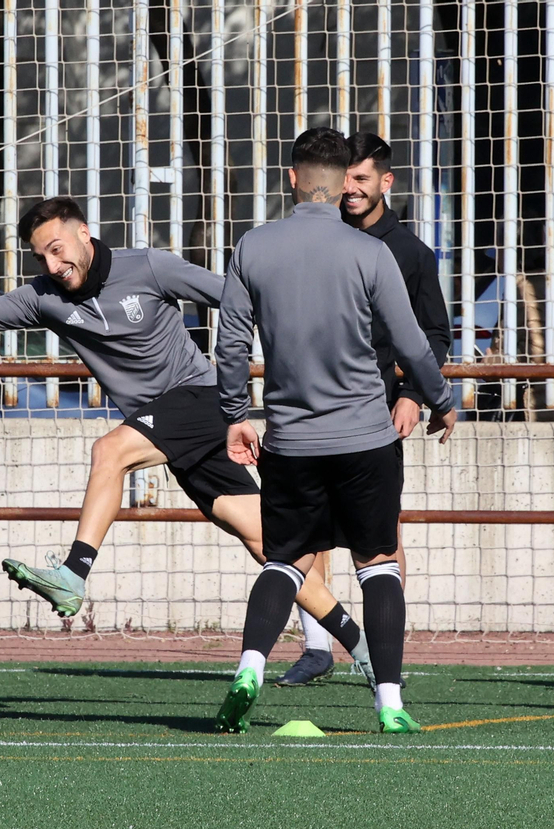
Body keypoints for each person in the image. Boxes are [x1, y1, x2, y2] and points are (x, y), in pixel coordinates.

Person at [0, 197, 380, 684]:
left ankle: (74, 573)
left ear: (83, 233)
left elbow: (236, 296)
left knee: (110, 450)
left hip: (200, 398)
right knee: (269, 545)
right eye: (42, 258)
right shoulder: (46, 298)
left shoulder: (148, 266)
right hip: (169, 427)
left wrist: (318, 341)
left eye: (57, 250)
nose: (53, 266)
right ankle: (362, 647)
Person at [213, 127, 457, 735]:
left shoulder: (252, 248)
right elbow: (412, 343)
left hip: (291, 441)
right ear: (339, 177)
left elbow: (231, 348)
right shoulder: (370, 252)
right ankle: (390, 702)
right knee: (377, 565)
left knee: (285, 562)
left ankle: (249, 668)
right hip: (366, 440)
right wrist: (440, 398)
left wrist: (235, 415)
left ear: (292, 178)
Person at [279, 131, 453, 687]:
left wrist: (412, 394)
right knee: (307, 537)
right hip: (307, 410)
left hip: (375, 411)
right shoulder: (312, 240)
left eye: (360, 179)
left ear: (385, 182)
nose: (348, 189)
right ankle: (316, 646)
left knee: (379, 542)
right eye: (342, 178)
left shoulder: (409, 253)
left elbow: (432, 337)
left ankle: (384, 661)